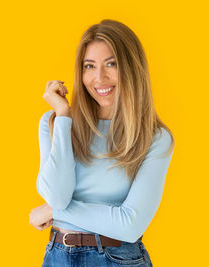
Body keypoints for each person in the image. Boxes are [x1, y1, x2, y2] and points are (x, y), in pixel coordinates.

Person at [29, 19, 175, 267]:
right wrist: (64, 117)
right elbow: (57, 195)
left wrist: (54, 213)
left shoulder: (154, 137)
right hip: (57, 256)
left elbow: (129, 225)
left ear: (131, 68)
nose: (99, 78)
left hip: (118, 259)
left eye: (111, 64)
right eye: (89, 66)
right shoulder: (54, 123)